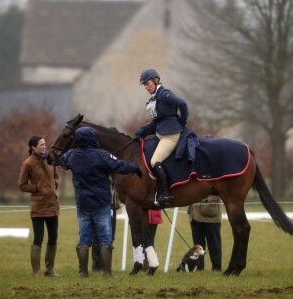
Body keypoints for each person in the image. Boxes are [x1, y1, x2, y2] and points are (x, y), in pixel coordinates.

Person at [58, 126, 142, 278]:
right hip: (101, 203)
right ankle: (107, 273)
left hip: (82, 204)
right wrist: (135, 167)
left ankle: (83, 272)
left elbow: (60, 160)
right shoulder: (102, 155)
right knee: (105, 238)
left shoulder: (71, 156)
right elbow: (120, 166)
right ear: (92, 139)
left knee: (84, 238)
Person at [134, 68, 189, 208]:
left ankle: (164, 194)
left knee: (155, 161)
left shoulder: (164, 94)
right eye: (144, 85)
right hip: (161, 135)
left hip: (170, 136)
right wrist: (141, 132)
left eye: (147, 84)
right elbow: (156, 123)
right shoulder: (154, 98)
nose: (146, 87)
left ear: (156, 80)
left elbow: (183, 105)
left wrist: (181, 122)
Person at [19, 135, 60, 277]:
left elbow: (56, 175)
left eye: (44, 144)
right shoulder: (28, 163)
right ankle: (36, 272)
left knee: (53, 238)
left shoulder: (50, 159)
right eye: (41, 144)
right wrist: (37, 187)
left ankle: (50, 270)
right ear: (33, 147)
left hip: (52, 204)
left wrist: (55, 183)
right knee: (38, 239)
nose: (44, 146)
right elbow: (22, 185)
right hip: (38, 206)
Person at [188, 195, 222, 271]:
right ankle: (199, 267)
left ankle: (216, 267)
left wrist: (204, 201)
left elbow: (218, 192)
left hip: (211, 217)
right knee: (197, 244)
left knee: (214, 244)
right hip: (194, 216)